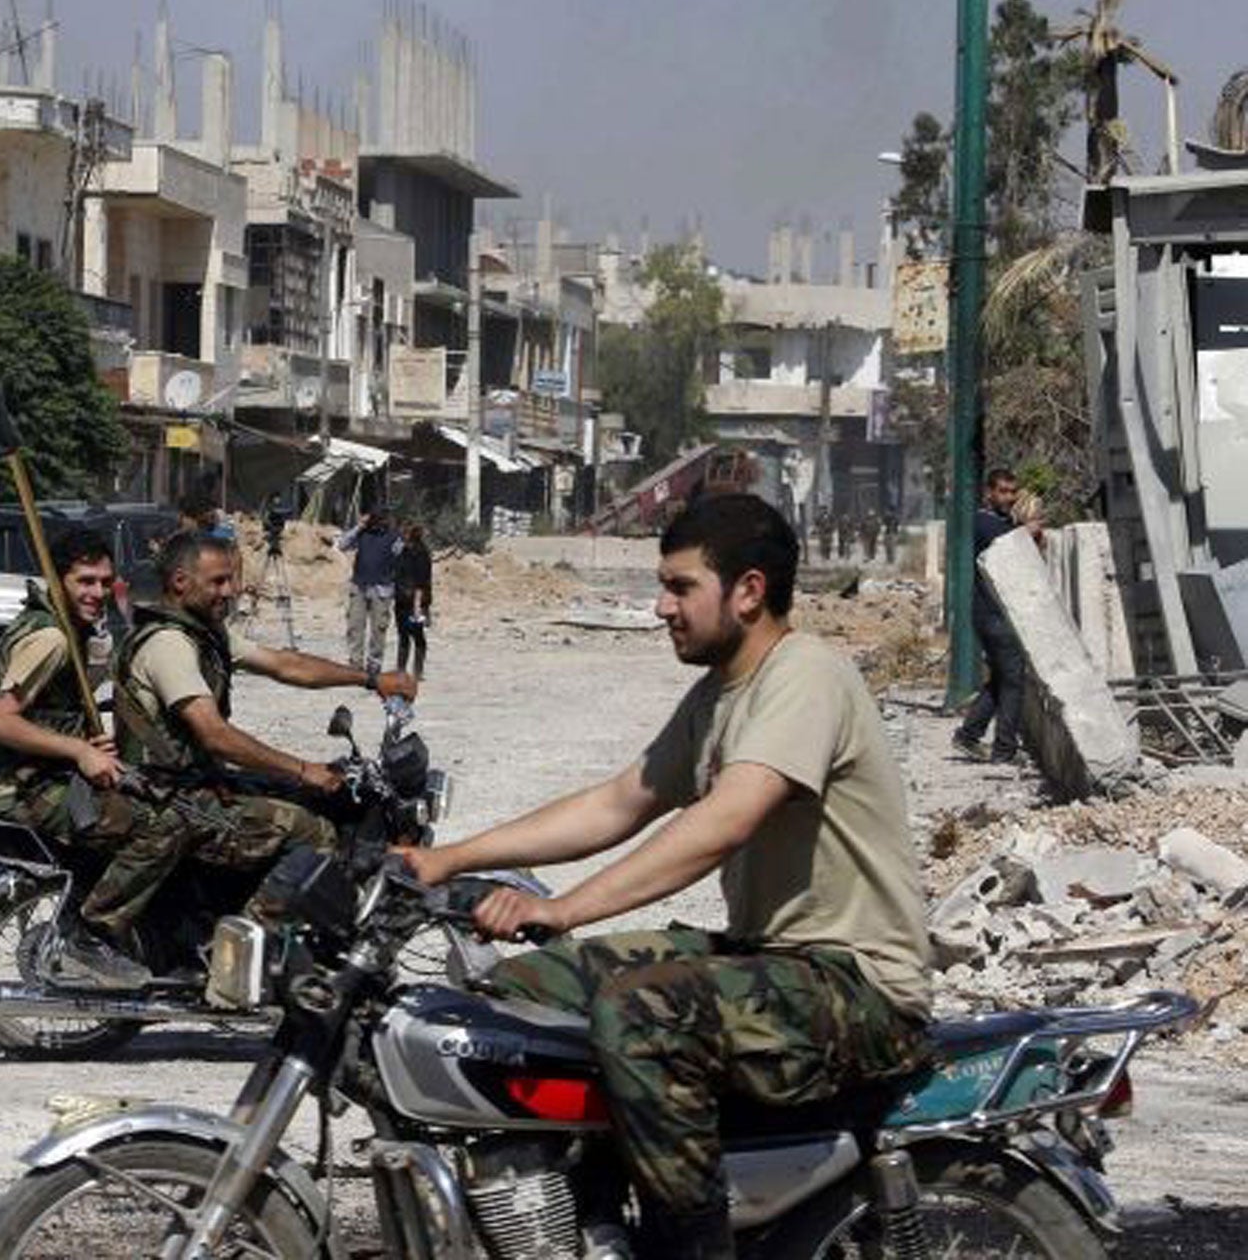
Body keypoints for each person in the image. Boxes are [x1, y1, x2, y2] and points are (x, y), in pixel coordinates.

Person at [402, 494, 931, 1260]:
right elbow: (619, 802)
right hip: (773, 961)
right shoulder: (719, 696)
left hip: (858, 984)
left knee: (641, 1014)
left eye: (680, 587)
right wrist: (446, 859)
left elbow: (724, 822)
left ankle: (689, 1244)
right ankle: (584, 1212)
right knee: (524, 992)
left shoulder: (807, 676)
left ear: (748, 591)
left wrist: (567, 907)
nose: (660, 608)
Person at [113, 530, 418, 922]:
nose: (231, 590)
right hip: (166, 794)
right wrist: (304, 769)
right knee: (312, 831)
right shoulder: (169, 644)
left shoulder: (206, 633)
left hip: (194, 779)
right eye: (218, 581)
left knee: (309, 796)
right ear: (179, 582)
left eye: (232, 579)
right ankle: (249, 952)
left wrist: (372, 680)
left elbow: (285, 664)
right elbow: (216, 736)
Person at [0, 527, 166, 989]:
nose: (97, 592)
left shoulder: (74, 634)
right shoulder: (51, 639)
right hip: (24, 787)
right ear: (57, 580)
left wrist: (85, 740)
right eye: (84, 581)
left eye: (104, 582)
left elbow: (48, 715)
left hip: (45, 774)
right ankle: (87, 935)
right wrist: (78, 749)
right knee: (160, 827)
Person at [953, 467, 1027, 762]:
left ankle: (969, 735)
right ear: (989, 493)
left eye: (1013, 491)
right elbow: (1012, 542)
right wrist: (1028, 530)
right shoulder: (984, 523)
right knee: (1014, 679)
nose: (1009, 497)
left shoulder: (1001, 522)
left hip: (997, 614)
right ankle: (1005, 750)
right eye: (1003, 491)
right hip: (993, 615)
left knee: (1002, 678)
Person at [337, 503, 402, 673]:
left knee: (378, 629)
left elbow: (402, 559)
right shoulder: (362, 533)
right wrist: (359, 526)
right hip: (359, 586)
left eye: (381, 518)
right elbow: (342, 545)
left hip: (382, 589)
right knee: (354, 626)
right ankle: (355, 663)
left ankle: (374, 663)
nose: (379, 522)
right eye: (375, 518)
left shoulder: (394, 537)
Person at [393, 521, 433, 681]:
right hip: (403, 600)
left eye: (404, 533)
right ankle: (402, 670)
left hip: (414, 602)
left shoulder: (421, 554)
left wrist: (418, 606)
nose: (401, 536)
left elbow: (421, 583)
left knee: (417, 637)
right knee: (404, 636)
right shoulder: (403, 552)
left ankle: (416, 672)